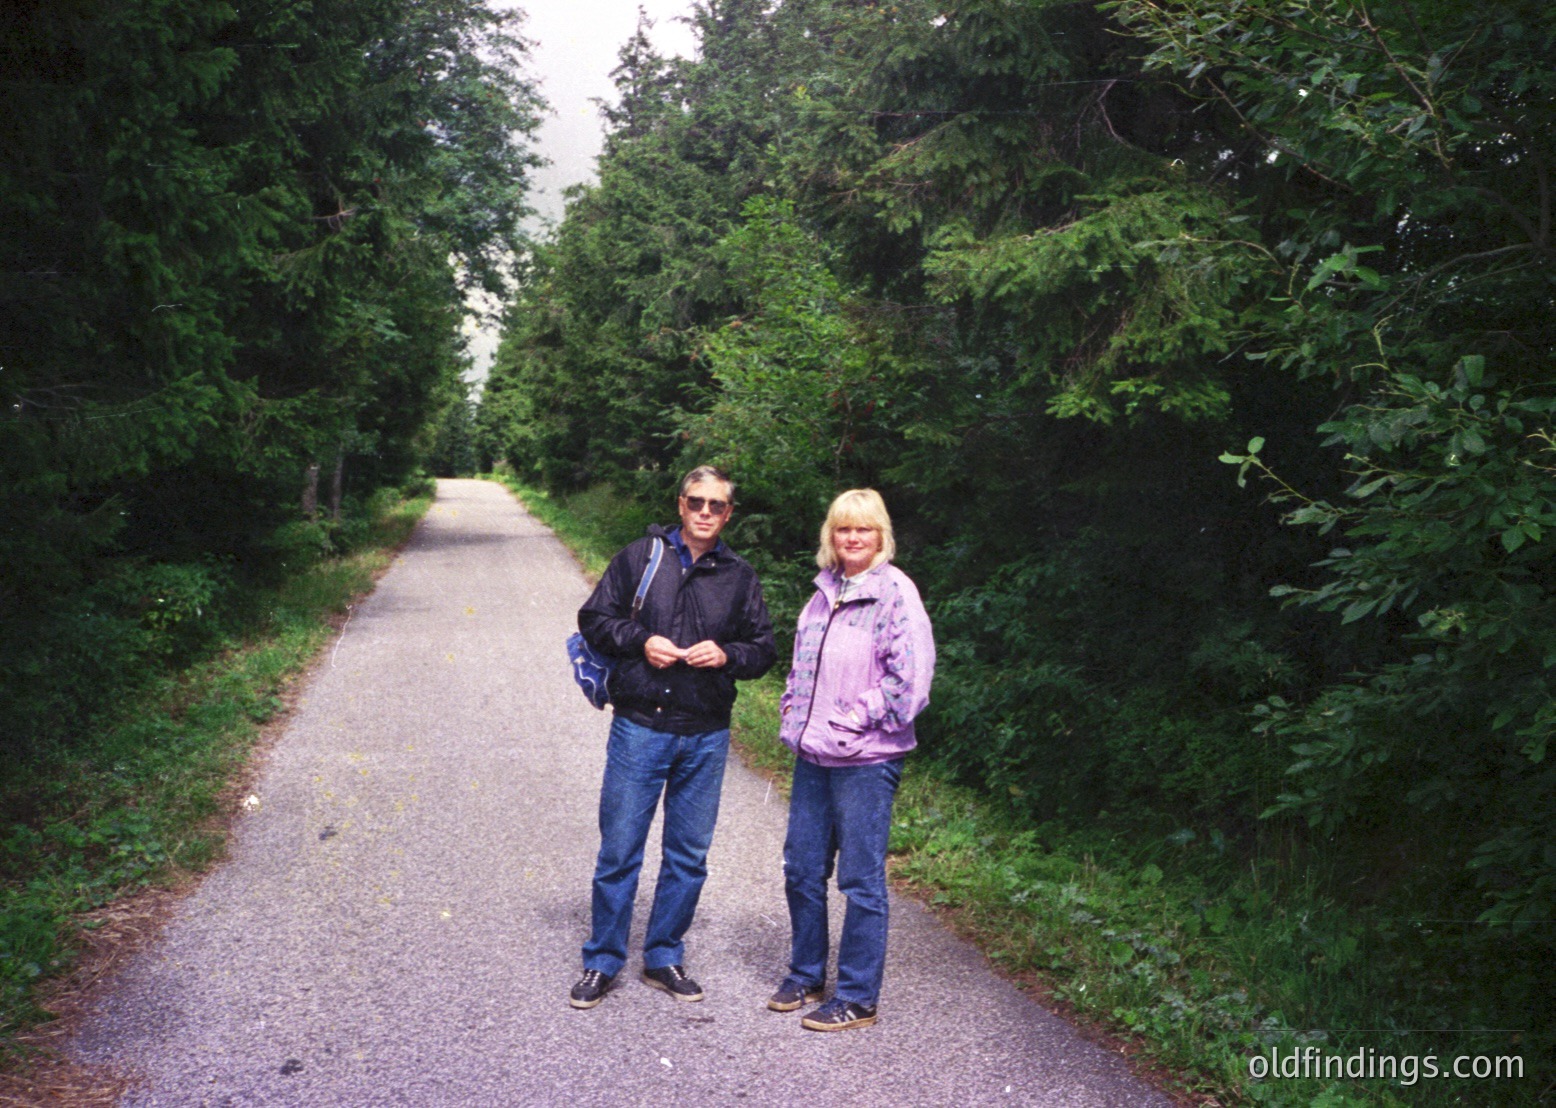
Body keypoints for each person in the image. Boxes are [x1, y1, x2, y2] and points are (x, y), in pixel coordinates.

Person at [569, 465, 776, 1009]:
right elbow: (595, 619)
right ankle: (602, 961)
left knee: (688, 855)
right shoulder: (641, 557)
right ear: (680, 505)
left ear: (729, 514)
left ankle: (663, 956)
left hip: (705, 735)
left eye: (717, 506)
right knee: (620, 850)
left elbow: (763, 650)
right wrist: (641, 641)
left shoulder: (740, 575)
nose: (705, 513)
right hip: (640, 728)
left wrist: (728, 654)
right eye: (696, 502)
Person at [768, 488, 935, 1031]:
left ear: (881, 535)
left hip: (866, 759)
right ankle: (806, 973)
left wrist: (853, 716)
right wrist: (793, 710)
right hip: (813, 756)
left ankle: (859, 997)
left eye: (863, 529)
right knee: (802, 869)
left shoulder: (895, 594)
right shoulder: (824, 592)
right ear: (831, 537)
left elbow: (909, 683)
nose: (853, 538)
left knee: (860, 881)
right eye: (843, 529)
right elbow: (802, 668)